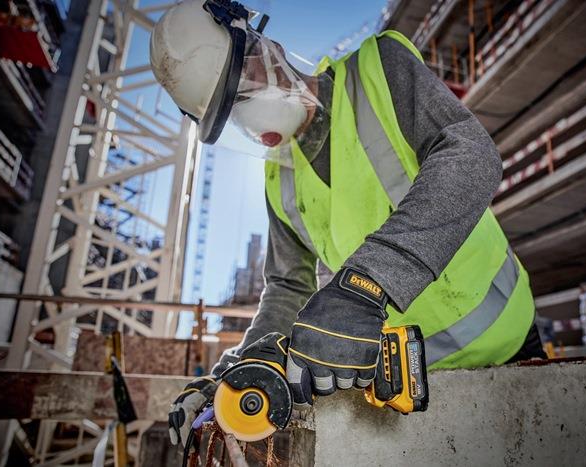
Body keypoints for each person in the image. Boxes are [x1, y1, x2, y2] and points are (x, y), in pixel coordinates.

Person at [151, 0, 545, 447]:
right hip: (407, 388)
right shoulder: (278, 177)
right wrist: (243, 369)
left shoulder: (377, 71)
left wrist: (365, 284)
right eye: (230, 114)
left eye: (241, 93)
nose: (248, 117)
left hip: (507, 344)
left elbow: (470, 154)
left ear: (265, 47)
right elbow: (288, 286)